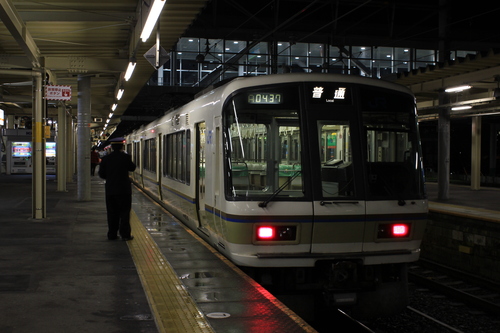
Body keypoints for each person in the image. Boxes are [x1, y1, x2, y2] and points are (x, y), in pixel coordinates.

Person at [98, 138, 136, 241]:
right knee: (124, 212)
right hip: (124, 190)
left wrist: (110, 178)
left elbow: (101, 174)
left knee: (111, 212)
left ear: (111, 147)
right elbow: (132, 168)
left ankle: (112, 234)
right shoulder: (126, 157)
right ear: (122, 147)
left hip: (110, 189)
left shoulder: (106, 159)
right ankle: (125, 235)